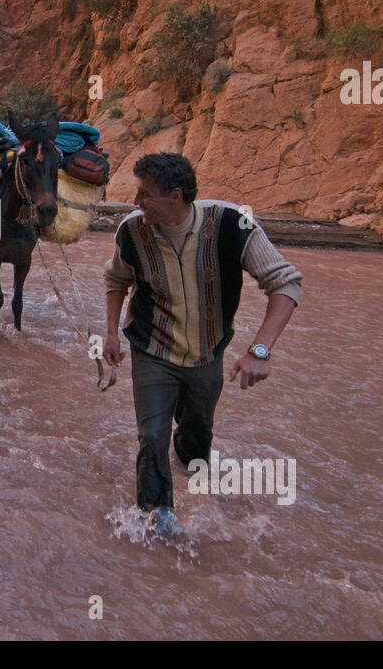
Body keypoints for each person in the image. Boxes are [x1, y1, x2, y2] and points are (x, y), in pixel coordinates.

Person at [103, 153, 302, 538]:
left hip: (206, 353)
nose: (136, 201)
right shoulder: (132, 232)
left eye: (145, 194)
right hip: (152, 350)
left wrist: (260, 351)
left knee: (196, 438)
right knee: (152, 436)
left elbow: (286, 283)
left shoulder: (232, 224)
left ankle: (191, 468)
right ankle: (156, 522)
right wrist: (111, 333)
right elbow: (116, 280)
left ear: (175, 196)